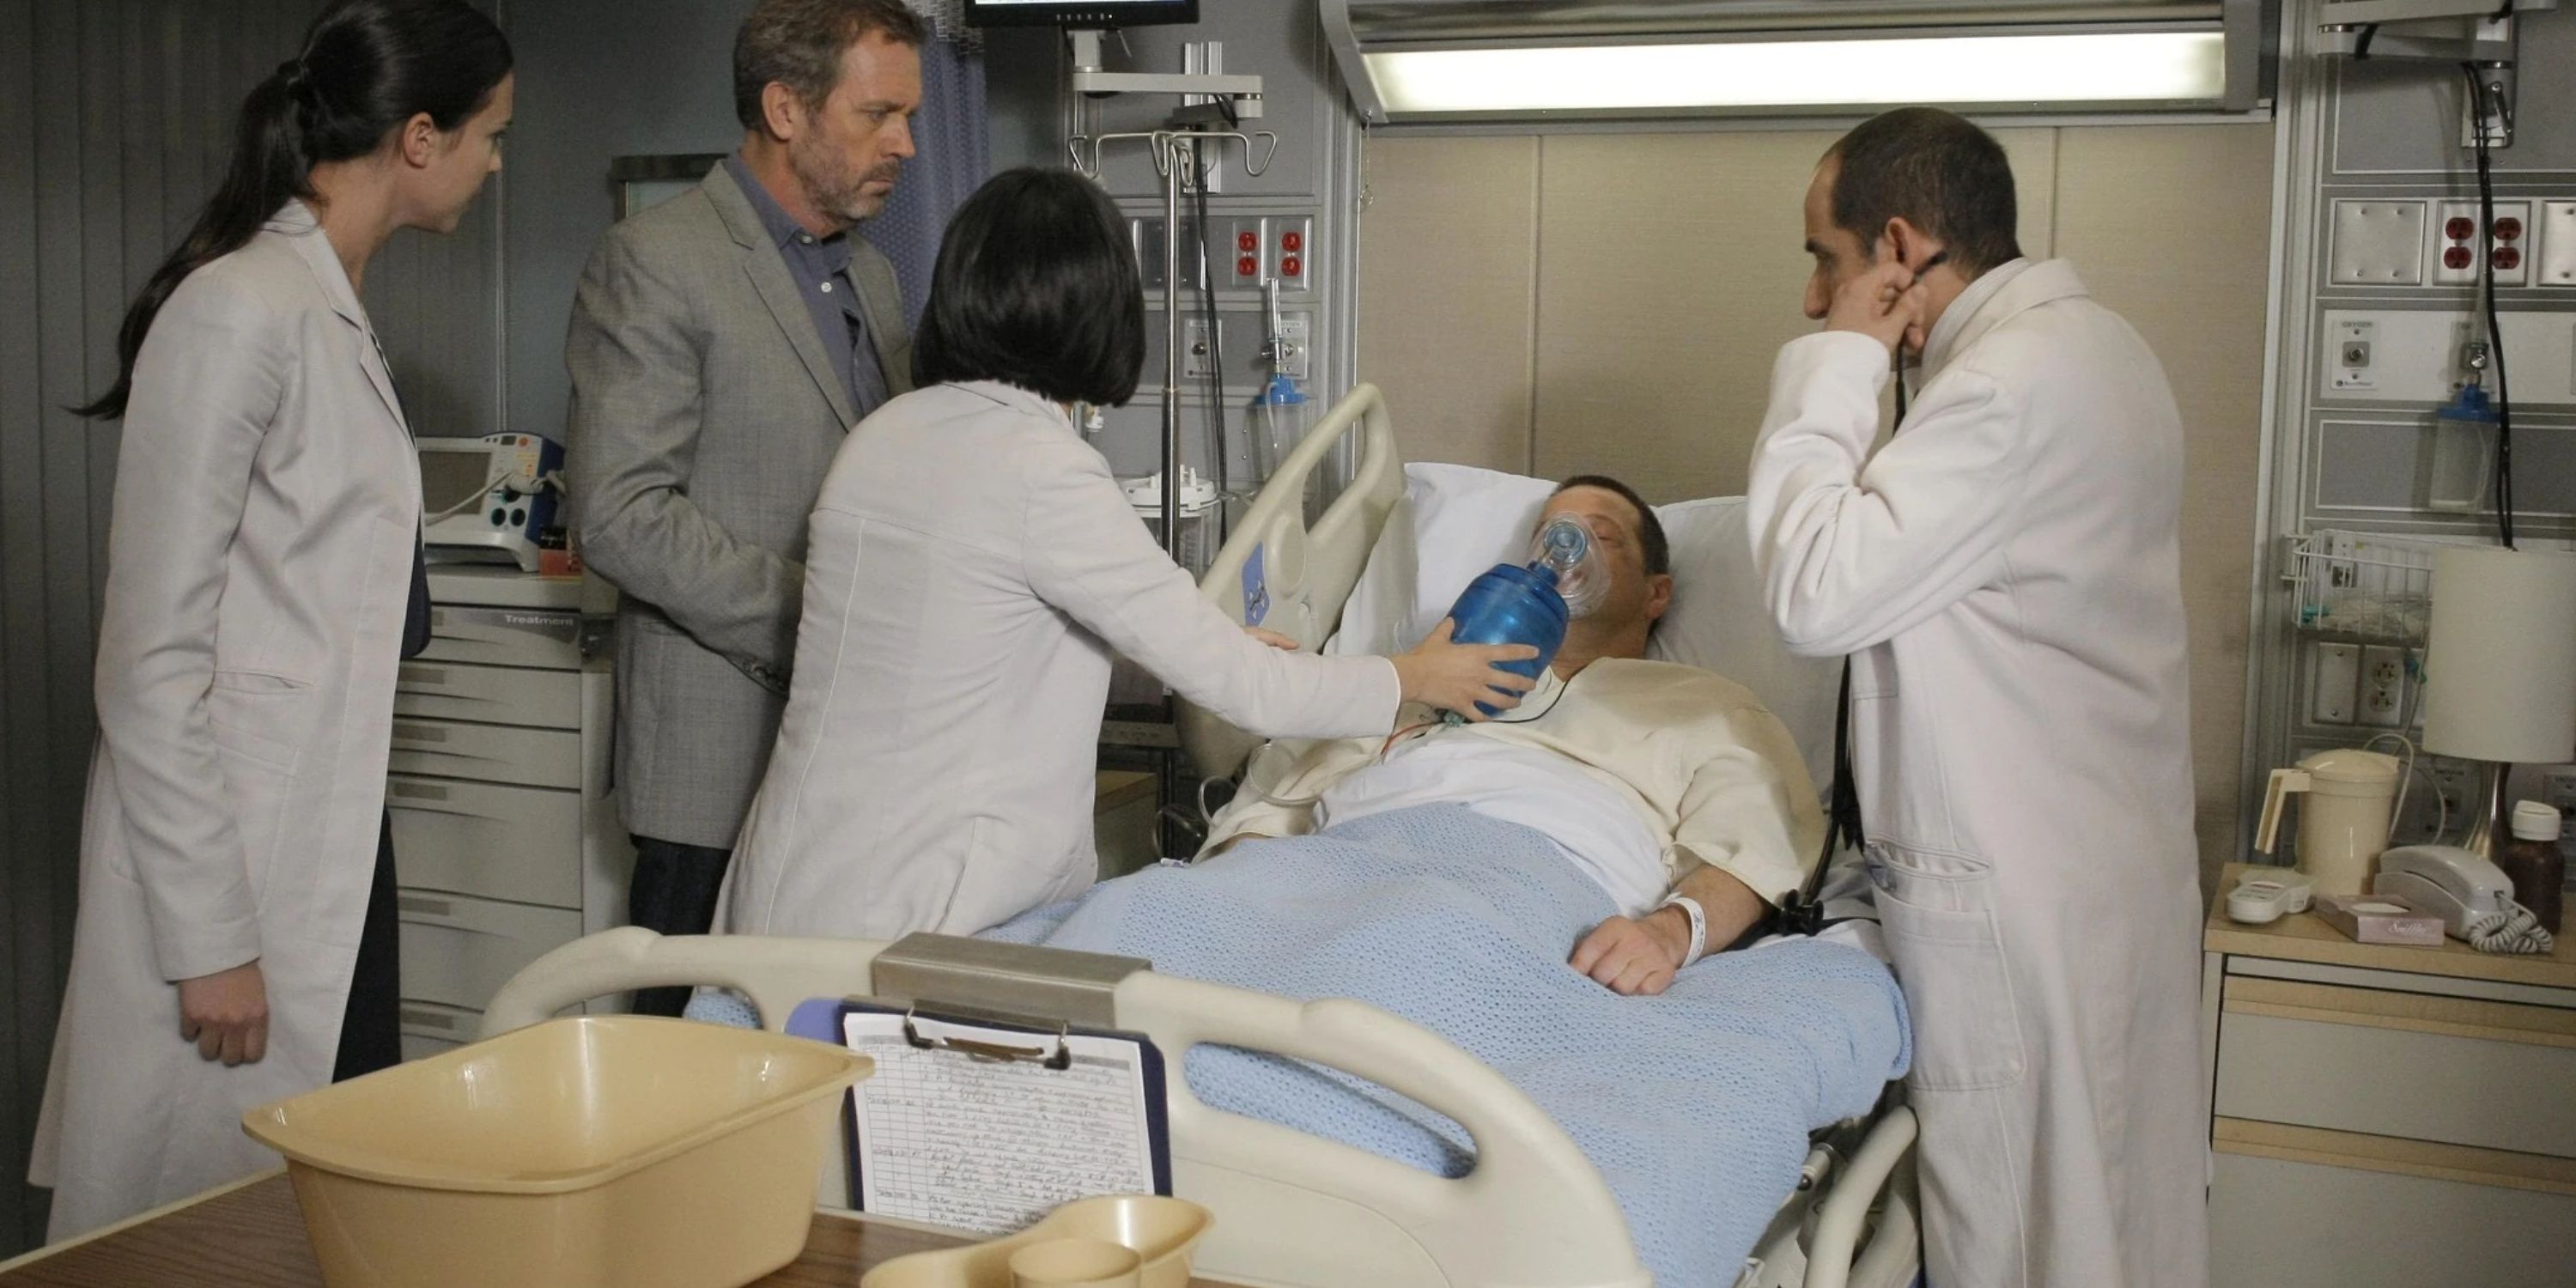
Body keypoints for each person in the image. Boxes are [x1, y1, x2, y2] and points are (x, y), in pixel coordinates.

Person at [717, 167, 1537, 944]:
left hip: (790, 889)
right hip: (919, 911)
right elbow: (1246, 691)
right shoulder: (1041, 469)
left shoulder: (885, 436)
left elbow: (972, 637)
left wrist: (1190, 648)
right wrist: (1413, 679)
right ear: (1099, 311)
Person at [28, 0, 512, 1240]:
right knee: (199, 1231)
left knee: (328, 1199)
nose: (496, 161)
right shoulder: (240, 307)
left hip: (334, 841)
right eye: (491, 134)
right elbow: (148, 662)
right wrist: (211, 941)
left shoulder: (323, 309)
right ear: (418, 137)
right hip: (234, 870)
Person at [1742, 107, 2205, 1287]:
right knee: (2103, 1231)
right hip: (2087, 882)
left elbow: (1814, 587)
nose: (1813, 297)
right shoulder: (2102, 349)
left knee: (2029, 1244)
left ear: (1895, 250)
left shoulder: (2009, 388)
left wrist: (1841, 360)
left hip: (2021, 911)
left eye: (1825, 262)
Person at [567, 0, 923, 1015]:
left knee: (808, 1059)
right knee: (682, 1073)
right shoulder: (658, 261)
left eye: (910, 119)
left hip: (841, 758)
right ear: (785, 109)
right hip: (714, 759)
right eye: (878, 115)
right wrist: (815, 612)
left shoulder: (875, 279)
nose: (903, 144)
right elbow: (621, 513)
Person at [1204, 477, 1826, 993]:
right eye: (1549, 537)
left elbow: (1754, 848)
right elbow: (1285, 793)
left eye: (1602, 537)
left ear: (1656, 593)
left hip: (1535, 888)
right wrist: (1236, 882)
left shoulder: (1706, 706)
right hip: (1349, 862)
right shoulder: (1421, 677)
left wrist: (1665, 933)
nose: (1568, 549)